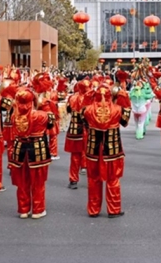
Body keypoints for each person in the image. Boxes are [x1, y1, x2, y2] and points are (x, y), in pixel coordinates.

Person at [82, 84, 131, 218]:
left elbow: (83, 119)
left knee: (93, 180)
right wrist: (123, 97)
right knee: (113, 179)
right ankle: (113, 209)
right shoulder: (117, 109)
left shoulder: (88, 110)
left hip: (93, 149)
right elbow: (125, 121)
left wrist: (88, 97)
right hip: (112, 149)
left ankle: (93, 209)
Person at [9, 88, 53, 219]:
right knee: (38, 182)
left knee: (22, 181)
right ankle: (37, 210)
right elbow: (51, 124)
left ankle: (23, 209)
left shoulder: (14, 116)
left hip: (20, 148)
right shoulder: (41, 115)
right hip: (37, 149)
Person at [65, 80, 90, 189]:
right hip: (88, 129)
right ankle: (92, 181)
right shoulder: (90, 98)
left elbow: (68, 110)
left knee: (75, 156)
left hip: (75, 128)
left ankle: (73, 180)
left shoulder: (72, 98)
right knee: (91, 156)